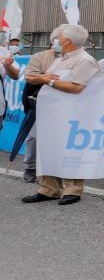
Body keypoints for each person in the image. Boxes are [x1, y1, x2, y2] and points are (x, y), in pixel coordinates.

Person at [19, 25, 100, 206]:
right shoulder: (61, 58)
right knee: (48, 148)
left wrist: (47, 80)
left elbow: (77, 87)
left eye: (58, 37)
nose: (55, 41)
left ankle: (73, 190)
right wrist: (45, 79)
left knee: (71, 151)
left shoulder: (84, 60)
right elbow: (44, 78)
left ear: (67, 41)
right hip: (52, 112)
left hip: (73, 114)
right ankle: (49, 188)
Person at [16, 28, 64, 183]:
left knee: (59, 138)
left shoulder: (74, 58)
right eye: (58, 38)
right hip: (37, 101)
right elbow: (30, 76)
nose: (61, 41)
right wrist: (46, 78)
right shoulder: (40, 56)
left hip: (64, 102)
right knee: (34, 136)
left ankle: (55, 170)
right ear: (52, 40)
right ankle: (30, 167)